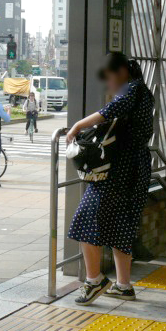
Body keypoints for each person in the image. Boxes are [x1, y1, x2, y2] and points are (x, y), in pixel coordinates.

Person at [65, 52, 153, 305]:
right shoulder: (143, 91)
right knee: (121, 226)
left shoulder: (132, 89)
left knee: (84, 220)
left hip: (119, 171)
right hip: (137, 168)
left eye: (109, 77)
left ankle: (94, 281)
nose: (109, 84)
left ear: (120, 73)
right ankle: (123, 285)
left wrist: (77, 126)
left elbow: (110, 110)